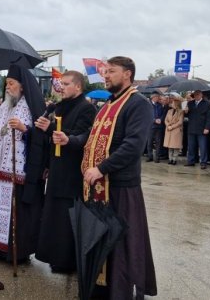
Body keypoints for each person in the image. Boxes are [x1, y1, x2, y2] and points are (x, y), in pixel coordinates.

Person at [52, 56, 156, 299]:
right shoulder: (108, 104)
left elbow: (133, 146)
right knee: (101, 242)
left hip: (120, 187)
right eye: (105, 71)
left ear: (127, 74)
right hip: (97, 186)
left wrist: (101, 168)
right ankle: (101, 289)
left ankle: (120, 292)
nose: (105, 76)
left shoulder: (138, 104)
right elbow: (91, 134)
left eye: (111, 71)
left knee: (121, 245)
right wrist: (70, 140)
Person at [0, 64, 49, 263]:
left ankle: (17, 252)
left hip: (20, 172)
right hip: (0, 171)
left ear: (22, 86)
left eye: (11, 83)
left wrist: (25, 129)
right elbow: (2, 134)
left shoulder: (33, 106)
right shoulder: (3, 107)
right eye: (6, 84)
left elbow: (43, 138)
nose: (7, 87)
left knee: (18, 213)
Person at [34, 70, 96, 273]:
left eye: (66, 83)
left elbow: (81, 137)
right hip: (56, 167)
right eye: (60, 84)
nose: (61, 87)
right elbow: (51, 140)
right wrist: (46, 164)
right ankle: (55, 256)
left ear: (78, 86)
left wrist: (50, 128)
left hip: (72, 171)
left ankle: (68, 260)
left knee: (67, 216)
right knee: (53, 215)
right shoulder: (59, 106)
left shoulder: (86, 108)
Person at [184, 90, 210, 169]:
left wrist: (207, 128)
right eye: (195, 95)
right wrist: (186, 112)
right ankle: (191, 161)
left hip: (202, 128)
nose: (196, 96)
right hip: (191, 128)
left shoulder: (207, 103)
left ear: (201, 95)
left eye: (198, 95)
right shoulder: (190, 103)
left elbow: (209, 117)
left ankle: (203, 162)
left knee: (202, 147)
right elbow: (187, 115)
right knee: (191, 146)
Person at [163, 94, 184, 165]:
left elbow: (180, 122)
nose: (172, 103)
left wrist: (172, 127)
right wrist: (168, 125)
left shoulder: (180, 112)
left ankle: (174, 159)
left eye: (173, 103)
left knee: (175, 147)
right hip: (169, 130)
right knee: (170, 146)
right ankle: (170, 159)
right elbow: (165, 120)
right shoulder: (169, 111)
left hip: (176, 131)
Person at [146, 94, 164, 163]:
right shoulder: (148, 105)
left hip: (159, 127)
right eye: (156, 97)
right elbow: (147, 115)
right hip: (151, 127)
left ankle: (157, 157)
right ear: (152, 98)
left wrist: (161, 119)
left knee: (158, 143)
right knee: (149, 142)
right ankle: (150, 156)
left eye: (158, 97)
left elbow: (163, 114)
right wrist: (154, 120)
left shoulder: (160, 105)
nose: (158, 98)